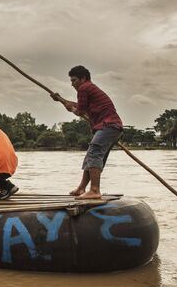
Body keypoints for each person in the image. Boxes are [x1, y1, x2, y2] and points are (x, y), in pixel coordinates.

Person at [51, 65, 123, 199]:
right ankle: (81, 188)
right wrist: (61, 100)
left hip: (108, 126)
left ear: (83, 79)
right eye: (71, 81)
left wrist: (70, 108)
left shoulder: (84, 88)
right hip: (112, 127)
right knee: (92, 156)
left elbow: (79, 111)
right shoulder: (89, 88)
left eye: (74, 80)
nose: (72, 84)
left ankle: (95, 190)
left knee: (94, 152)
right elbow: (79, 105)